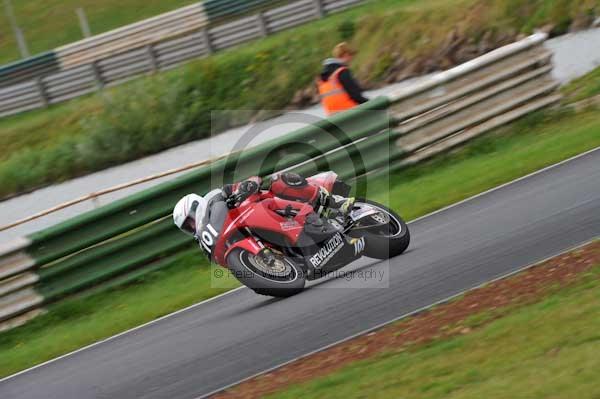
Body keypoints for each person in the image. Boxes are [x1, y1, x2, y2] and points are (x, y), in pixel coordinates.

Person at [173, 172, 354, 242]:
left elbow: (253, 179)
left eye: (190, 222)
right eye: (188, 228)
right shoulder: (211, 233)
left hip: (272, 205)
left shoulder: (220, 196)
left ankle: (336, 202)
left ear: (197, 208)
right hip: (265, 228)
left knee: (278, 181)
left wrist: (246, 187)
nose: (192, 227)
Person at [318, 42, 369, 115]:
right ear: (346, 55)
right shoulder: (342, 72)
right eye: (351, 55)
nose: (352, 58)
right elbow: (356, 96)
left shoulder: (322, 78)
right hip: (351, 113)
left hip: (335, 118)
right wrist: (371, 103)